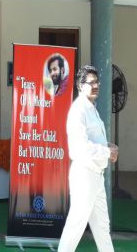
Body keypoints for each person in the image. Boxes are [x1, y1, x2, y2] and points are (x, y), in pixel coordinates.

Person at [58, 65, 119, 252]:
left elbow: (93, 140)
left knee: (102, 228)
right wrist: (107, 152)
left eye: (97, 82)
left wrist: (107, 146)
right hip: (84, 175)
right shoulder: (78, 111)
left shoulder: (92, 109)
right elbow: (81, 147)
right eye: (90, 83)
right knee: (75, 226)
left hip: (96, 176)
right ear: (80, 85)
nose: (95, 86)